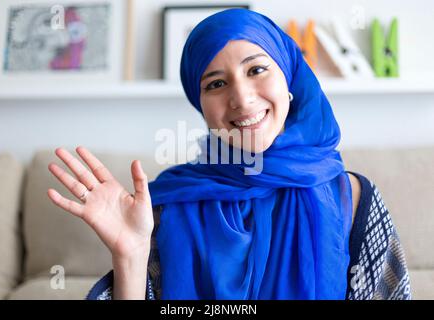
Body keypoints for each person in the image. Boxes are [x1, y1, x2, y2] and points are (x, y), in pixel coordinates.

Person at [47, 8, 411, 300]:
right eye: (216, 83)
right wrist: (130, 254)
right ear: (201, 105)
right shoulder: (163, 205)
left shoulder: (353, 197)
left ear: (289, 80)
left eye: (256, 69)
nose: (241, 98)